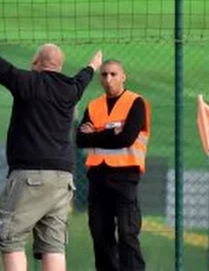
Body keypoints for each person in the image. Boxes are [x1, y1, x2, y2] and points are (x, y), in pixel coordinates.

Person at [0, 25, 100, 271]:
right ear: (59, 65)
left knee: (10, 237)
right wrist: (92, 66)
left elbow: (3, 70)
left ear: (36, 62)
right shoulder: (70, 89)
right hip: (63, 180)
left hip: (30, 176)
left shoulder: (27, 82)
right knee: (53, 246)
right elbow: (83, 78)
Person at [77, 59, 150, 271]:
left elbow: (126, 139)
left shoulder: (136, 103)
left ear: (123, 76)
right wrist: (110, 133)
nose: (108, 79)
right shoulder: (94, 105)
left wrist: (96, 134)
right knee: (100, 233)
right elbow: (80, 139)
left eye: (113, 74)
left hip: (125, 177)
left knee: (127, 233)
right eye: (104, 74)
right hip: (98, 176)